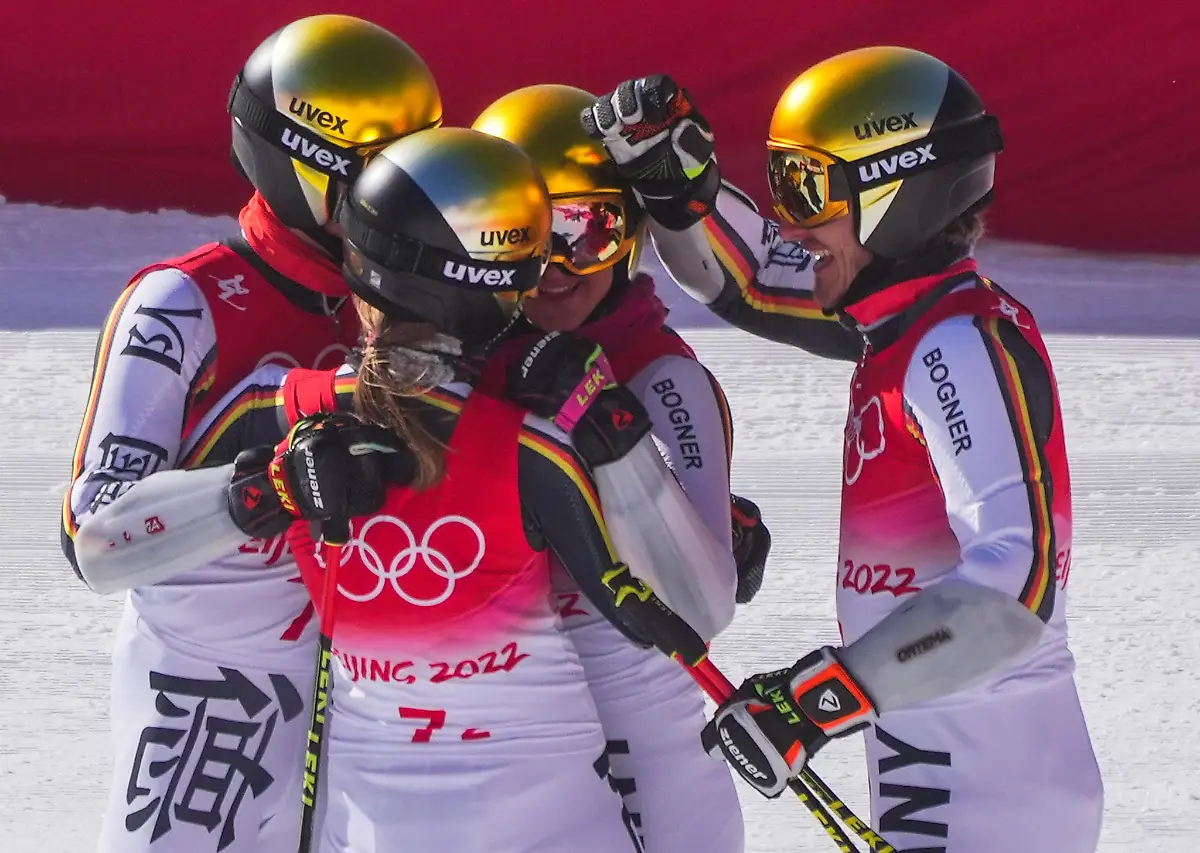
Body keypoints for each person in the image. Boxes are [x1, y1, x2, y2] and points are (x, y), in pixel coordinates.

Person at [72, 127, 736, 853]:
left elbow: (105, 547)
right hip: (536, 818)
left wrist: (265, 490)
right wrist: (271, 487)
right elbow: (694, 609)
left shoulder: (291, 405)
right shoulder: (537, 427)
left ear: (365, 269)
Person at [582, 47, 1103, 853]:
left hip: (987, 775)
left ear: (897, 193)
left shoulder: (956, 343)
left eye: (808, 189)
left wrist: (820, 699)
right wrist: (677, 186)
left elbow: (1016, 579)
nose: (793, 222)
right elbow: (750, 279)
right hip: (938, 750)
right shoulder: (904, 320)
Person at [61, 15, 442, 853]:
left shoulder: (412, 306)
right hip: (212, 693)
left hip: (379, 694)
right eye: (381, 177)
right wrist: (262, 487)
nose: (406, 208)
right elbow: (95, 538)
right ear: (304, 164)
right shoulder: (181, 302)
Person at [471, 84, 759, 853]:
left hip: (634, 744)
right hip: (496, 747)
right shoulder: (456, 364)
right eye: (524, 237)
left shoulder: (663, 377)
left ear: (628, 232)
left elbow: (705, 607)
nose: (555, 268)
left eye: (587, 230)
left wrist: (621, 447)